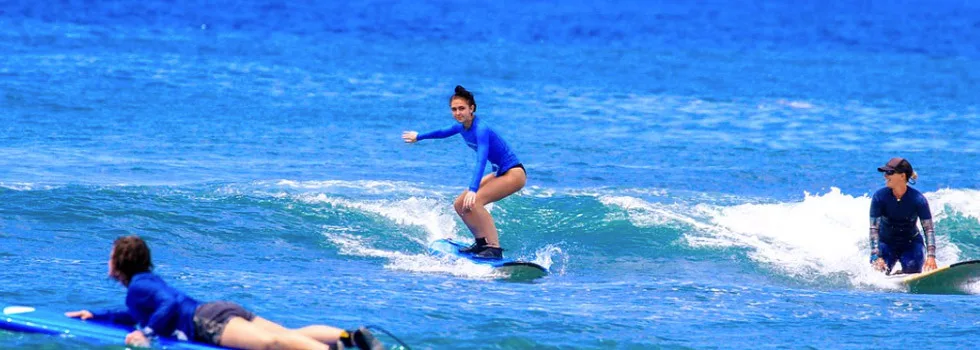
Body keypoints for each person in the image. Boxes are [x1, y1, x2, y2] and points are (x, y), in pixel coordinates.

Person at [65, 235, 383, 350]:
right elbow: (138, 313)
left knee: (272, 345)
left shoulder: (138, 286)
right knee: (287, 335)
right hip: (217, 311)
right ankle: (349, 337)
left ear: (120, 262)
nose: (107, 262)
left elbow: (168, 304)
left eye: (110, 257)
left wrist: (146, 334)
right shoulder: (143, 284)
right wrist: (97, 316)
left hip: (205, 321)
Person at [402, 85, 526, 259]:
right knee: (460, 204)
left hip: (514, 173)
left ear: (471, 109)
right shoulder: (461, 127)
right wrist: (419, 136)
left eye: (462, 108)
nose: (458, 113)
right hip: (500, 172)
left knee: (475, 202)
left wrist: (473, 189)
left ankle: (494, 248)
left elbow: (481, 159)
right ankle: (481, 243)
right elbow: (442, 132)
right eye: (454, 109)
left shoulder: (481, 129)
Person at [869, 157, 938, 274]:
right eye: (885, 173)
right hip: (886, 243)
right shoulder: (879, 197)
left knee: (912, 267)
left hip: (911, 243)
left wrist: (931, 256)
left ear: (902, 176)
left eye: (889, 172)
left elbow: (928, 229)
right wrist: (876, 255)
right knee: (879, 271)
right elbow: (874, 229)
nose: (885, 176)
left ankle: (902, 273)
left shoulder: (918, 199)